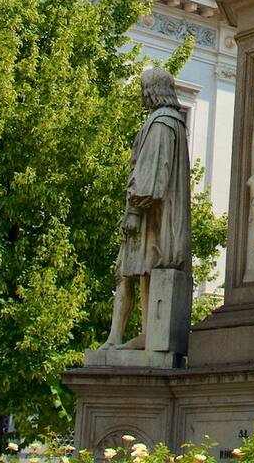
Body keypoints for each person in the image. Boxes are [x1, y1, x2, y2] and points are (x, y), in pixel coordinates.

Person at [103, 66, 192, 349]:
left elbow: (151, 174)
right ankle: (132, 334)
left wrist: (135, 208)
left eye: (144, 89)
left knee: (138, 271)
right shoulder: (171, 122)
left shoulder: (162, 123)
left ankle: (142, 334)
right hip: (155, 213)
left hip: (151, 215)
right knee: (139, 273)